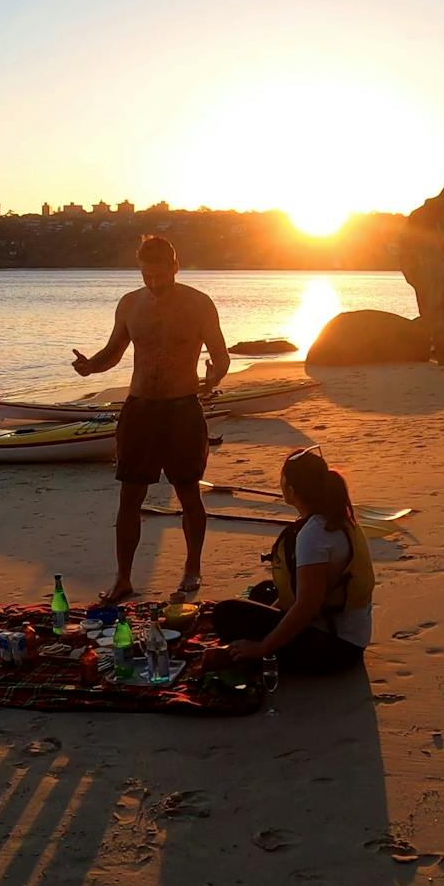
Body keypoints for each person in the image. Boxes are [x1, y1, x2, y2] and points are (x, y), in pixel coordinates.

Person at [71, 235, 230, 603]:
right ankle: (123, 578)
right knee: (130, 496)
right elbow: (113, 353)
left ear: (175, 266)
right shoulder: (129, 304)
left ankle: (192, 569)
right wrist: (90, 367)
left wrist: (214, 375)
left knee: (188, 492)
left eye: (160, 274)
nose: (154, 282)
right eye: (146, 275)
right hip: (140, 408)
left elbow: (221, 355)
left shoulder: (199, 304)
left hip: (182, 408)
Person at [213, 446, 372, 674]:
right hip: (350, 635)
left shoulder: (314, 534)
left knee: (226, 613)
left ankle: (265, 655)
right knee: (263, 592)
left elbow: (308, 606)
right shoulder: (338, 516)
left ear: (290, 488)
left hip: (336, 649)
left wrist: (262, 647)